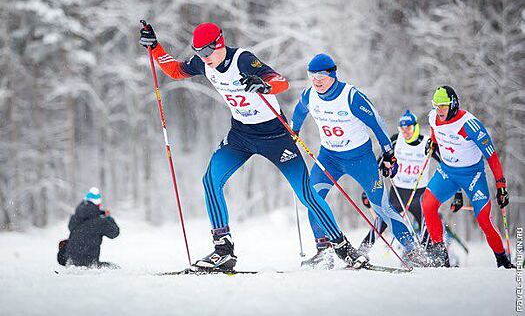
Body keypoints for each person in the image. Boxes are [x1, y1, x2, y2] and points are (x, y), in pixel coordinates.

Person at [139, 22, 368, 270]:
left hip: (275, 137)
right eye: (198, 53)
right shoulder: (204, 64)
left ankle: (343, 248)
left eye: (206, 52)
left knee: (307, 194)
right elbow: (175, 70)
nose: (203, 59)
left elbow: (281, 82)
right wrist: (155, 47)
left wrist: (264, 85)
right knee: (210, 180)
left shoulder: (243, 60)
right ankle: (223, 249)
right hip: (241, 135)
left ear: (219, 43)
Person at [291, 53, 420, 268]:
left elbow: (376, 123)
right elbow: (299, 111)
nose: (317, 80)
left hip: (360, 159)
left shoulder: (351, 96)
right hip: (329, 157)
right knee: (313, 198)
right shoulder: (309, 95)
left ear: (332, 74)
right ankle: (324, 252)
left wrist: (389, 153)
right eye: (312, 75)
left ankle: (413, 251)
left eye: (322, 75)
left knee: (381, 207)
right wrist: (293, 131)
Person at [422, 86, 515, 268]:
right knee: (427, 205)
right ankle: (441, 257)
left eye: (443, 106)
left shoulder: (469, 124)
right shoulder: (433, 117)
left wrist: (501, 186)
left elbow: (492, 156)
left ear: (453, 105)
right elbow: (435, 133)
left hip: (472, 175)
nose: (439, 110)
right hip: (447, 172)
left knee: (483, 220)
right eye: (436, 105)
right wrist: (432, 144)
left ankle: (502, 260)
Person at [358, 110, 464, 258]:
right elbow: (378, 165)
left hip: (419, 195)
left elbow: (449, 165)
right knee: (381, 221)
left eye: (408, 127)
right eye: (402, 128)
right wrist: (367, 190)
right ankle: (362, 252)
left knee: (429, 224)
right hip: (397, 194)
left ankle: (435, 258)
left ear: (415, 127)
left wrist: (457, 193)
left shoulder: (428, 143)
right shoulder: (395, 141)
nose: (405, 132)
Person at [61, 187, 120, 268]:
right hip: (89, 264)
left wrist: (101, 214)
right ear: (98, 204)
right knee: (115, 268)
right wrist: (109, 217)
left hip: (70, 262)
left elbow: (87, 219)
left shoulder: (75, 218)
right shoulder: (100, 221)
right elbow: (114, 233)